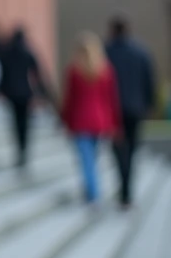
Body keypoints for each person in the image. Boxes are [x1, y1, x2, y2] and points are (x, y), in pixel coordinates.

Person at [60, 32, 123, 205]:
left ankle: (93, 193)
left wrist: (65, 121)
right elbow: (112, 100)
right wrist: (114, 123)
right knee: (92, 158)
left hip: (80, 120)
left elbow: (70, 100)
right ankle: (92, 190)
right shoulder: (105, 70)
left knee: (86, 159)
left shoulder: (75, 70)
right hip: (100, 120)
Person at [105, 15, 157, 208]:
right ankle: (127, 191)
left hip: (114, 111)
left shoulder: (106, 51)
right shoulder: (141, 52)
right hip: (136, 109)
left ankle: (124, 188)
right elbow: (149, 80)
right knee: (132, 149)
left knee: (119, 150)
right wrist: (149, 104)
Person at [0, 26, 50, 169]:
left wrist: (0, 90)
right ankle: (23, 150)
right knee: (25, 124)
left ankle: (20, 150)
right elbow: (37, 74)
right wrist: (43, 93)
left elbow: (3, 74)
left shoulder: (7, 53)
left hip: (12, 93)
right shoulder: (27, 52)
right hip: (25, 93)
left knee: (16, 123)